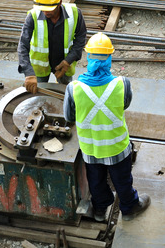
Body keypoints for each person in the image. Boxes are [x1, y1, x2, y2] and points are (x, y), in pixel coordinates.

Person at [63, 32, 150, 222]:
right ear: (109, 58)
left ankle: (100, 210)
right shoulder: (122, 84)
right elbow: (124, 105)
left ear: (88, 58)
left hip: (91, 148)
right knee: (123, 179)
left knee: (96, 181)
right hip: (117, 147)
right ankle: (129, 208)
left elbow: (69, 117)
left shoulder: (74, 89)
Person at [18, 0, 87, 94]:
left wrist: (68, 61)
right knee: (37, 96)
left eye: (49, 9)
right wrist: (29, 73)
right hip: (40, 68)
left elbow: (81, 38)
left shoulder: (74, 13)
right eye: (42, 7)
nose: (45, 12)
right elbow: (22, 46)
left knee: (66, 96)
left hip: (63, 65)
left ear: (60, 3)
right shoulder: (33, 16)